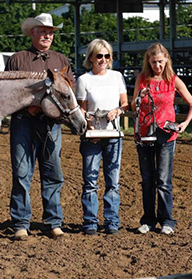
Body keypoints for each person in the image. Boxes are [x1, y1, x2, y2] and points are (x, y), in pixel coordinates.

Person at [4, 13, 74, 241]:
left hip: (51, 126)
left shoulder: (62, 61)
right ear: (32, 32)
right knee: (22, 173)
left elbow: (68, 93)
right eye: (43, 31)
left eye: (50, 32)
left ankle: (53, 222)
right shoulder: (17, 59)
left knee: (53, 173)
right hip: (23, 122)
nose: (47, 35)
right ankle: (21, 223)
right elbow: (8, 93)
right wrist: (30, 108)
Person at [131, 43, 192, 235]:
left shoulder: (173, 80)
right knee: (147, 179)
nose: (157, 66)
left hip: (166, 135)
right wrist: (139, 98)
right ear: (148, 62)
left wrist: (184, 124)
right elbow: (133, 107)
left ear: (166, 59)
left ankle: (167, 220)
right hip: (144, 134)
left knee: (163, 180)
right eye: (153, 62)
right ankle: (148, 220)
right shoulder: (142, 79)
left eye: (160, 61)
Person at [76, 39, 129, 235]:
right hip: (92, 137)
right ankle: (90, 222)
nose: (103, 59)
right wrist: (87, 123)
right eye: (99, 56)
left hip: (113, 134)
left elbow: (125, 103)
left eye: (107, 56)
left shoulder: (117, 77)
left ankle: (111, 221)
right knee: (90, 180)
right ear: (91, 57)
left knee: (112, 181)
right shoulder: (84, 80)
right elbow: (81, 108)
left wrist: (117, 111)